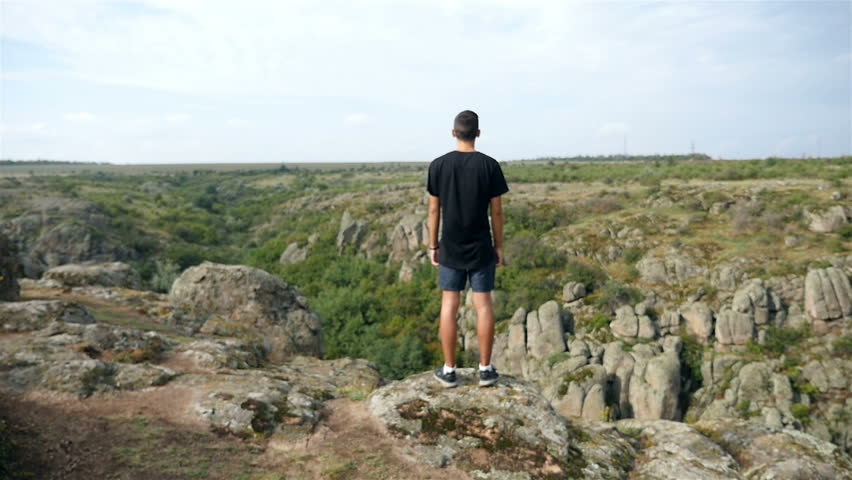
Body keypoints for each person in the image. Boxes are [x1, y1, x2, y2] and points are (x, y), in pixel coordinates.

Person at [426, 110, 509, 388]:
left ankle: (449, 370)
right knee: (483, 305)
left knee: (449, 306)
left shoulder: (438, 165)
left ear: (454, 133)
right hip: (481, 246)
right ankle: (485, 370)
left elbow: (434, 209)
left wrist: (432, 245)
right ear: (478, 134)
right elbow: (496, 213)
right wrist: (499, 246)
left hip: (450, 247)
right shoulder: (490, 166)